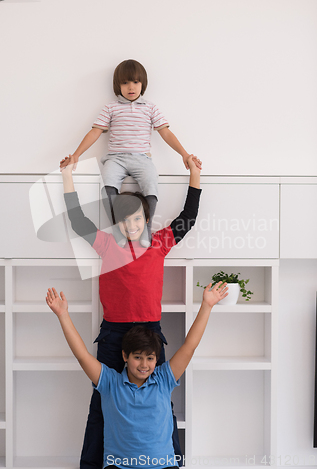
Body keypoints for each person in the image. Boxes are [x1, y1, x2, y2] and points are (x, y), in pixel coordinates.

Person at [62, 153, 201, 469]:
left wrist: (194, 173)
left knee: (162, 402)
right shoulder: (107, 245)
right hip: (114, 334)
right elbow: (78, 221)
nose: (132, 224)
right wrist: (67, 177)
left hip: (151, 332)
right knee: (101, 403)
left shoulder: (160, 242)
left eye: (137, 218)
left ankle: (171, 463)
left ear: (146, 218)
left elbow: (189, 217)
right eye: (125, 219)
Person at [45, 281, 228, 469]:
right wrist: (63, 315)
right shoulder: (110, 383)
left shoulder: (164, 379)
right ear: (125, 356)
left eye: (150, 358)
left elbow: (190, 346)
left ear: (156, 359)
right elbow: (82, 355)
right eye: (137, 357)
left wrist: (207, 306)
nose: (144, 365)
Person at [59, 59, 201, 246]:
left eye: (135, 82)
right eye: (125, 83)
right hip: (115, 159)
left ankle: (145, 232)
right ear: (118, 86)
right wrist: (77, 154)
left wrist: (184, 154)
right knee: (107, 186)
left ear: (143, 84)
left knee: (151, 182)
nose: (130, 87)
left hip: (141, 158)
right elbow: (95, 132)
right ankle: (118, 229)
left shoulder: (150, 108)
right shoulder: (111, 108)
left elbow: (165, 132)